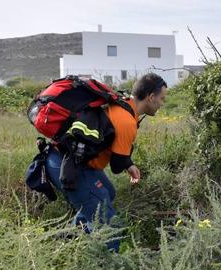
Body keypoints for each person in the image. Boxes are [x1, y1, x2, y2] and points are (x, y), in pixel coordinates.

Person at [46, 73, 168, 251]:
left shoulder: (123, 103)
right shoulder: (127, 121)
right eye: (162, 99)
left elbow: (111, 140)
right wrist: (125, 163)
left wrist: (129, 164)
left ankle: (76, 242)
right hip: (69, 166)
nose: (162, 104)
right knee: (111, 230)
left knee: (108, 193)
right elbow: (117, 165)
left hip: (66, 159)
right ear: (150, 97)